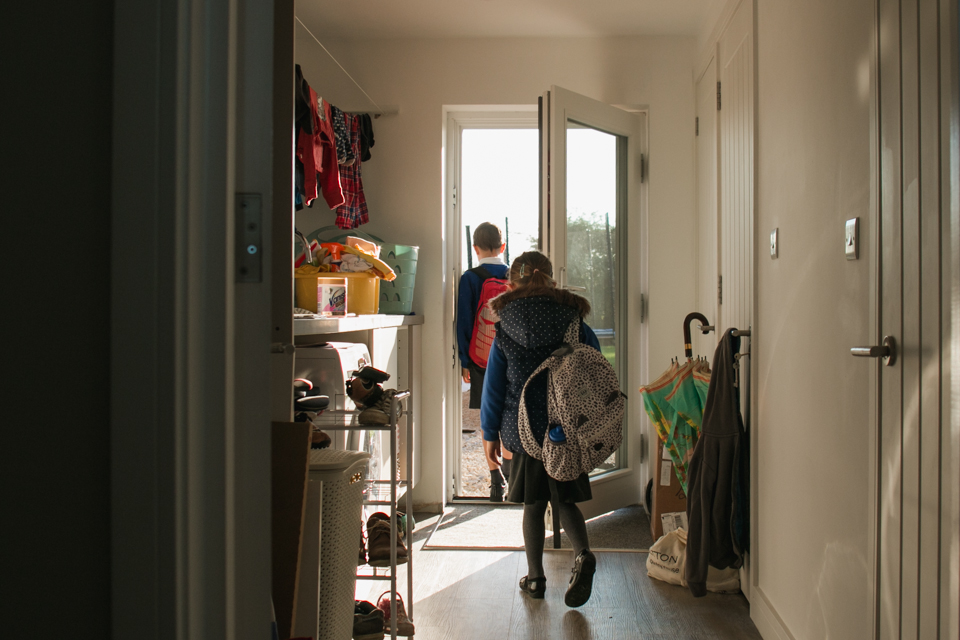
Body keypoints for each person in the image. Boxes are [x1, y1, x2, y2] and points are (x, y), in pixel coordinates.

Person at [479, 250, 599, 607]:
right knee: (566, 499)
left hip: (523, 430)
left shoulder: (504, 324)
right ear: (552, 280)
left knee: (533, 505)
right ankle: (583, 555)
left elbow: (494, 386)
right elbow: (593, 366)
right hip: (566, 428)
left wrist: (489, 434)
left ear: (512, 283)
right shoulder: (574, 319)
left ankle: (535, 580)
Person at [457, 222, 512, 501]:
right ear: (502, 248)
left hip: (481, 358)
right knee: (510, 415)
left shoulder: (470, 278)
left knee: (487, 419)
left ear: (476, 249)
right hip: (511, 358)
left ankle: (494, 481)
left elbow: (465, 321)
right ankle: (513, 477)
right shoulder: (514, 275)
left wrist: (465, 361)